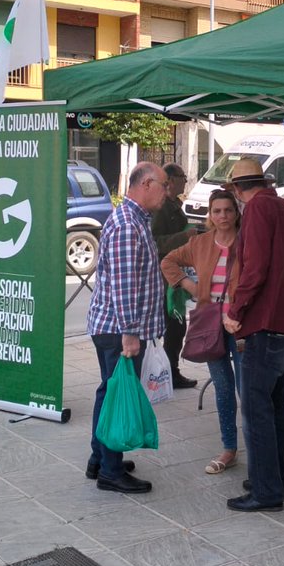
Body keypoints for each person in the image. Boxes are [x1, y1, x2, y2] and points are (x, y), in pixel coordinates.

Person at [223, 158, 284, 512]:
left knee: (257, 408)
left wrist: (235, 311)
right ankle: (275, 480)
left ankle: (266, 491)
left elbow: (255, 269)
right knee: (276, 406)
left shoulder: (258, 210)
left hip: (268, 323)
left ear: (236, 189)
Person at [85, 161, 168, 494]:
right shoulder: (126, 225)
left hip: (116, 327)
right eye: (164, 185)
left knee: (109, 390)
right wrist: (130, 334)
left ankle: (100, 458)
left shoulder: (135, 220)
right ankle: (110, 470)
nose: (167, 193)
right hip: (119, 330)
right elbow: (124, 285)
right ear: (146, 184)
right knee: (116, 393)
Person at [161, 189, 242, 475]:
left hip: (242, 327)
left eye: (228, 210)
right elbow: (168, 261)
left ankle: (259, 452)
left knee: (247, 391)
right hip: (211, 326)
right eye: (217, 211)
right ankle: (229, 449)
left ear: (236, 213)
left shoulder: (247, 242)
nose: (223, 216)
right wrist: (189, 285)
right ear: (210, 214)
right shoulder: (201, 243)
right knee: (223, 389)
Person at [152, 163, 199, 389]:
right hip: (163, 279)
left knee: (176, 327)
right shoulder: (160, 208)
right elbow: (154, 242)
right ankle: (167, 372)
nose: (185, 181)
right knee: (173, 326)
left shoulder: (174, 205)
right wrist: (184, 237)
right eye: (182, 177)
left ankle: (169, 371)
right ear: (170, 180)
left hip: (175, 276)